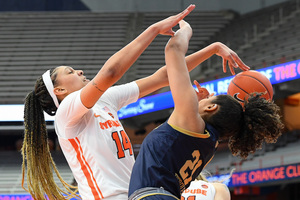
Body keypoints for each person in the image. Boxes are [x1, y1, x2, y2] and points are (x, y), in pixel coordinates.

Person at [21, 5, 196, 200]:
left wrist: (213, 49)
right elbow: (110, 73)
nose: (79, 71)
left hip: (134, 195)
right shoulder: (66, 112)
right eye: (70, 72)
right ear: (59, 90)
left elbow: (163, 77)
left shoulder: (104, 100)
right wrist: (153, 29)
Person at [128, 20, 284, 200]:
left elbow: (173, 51)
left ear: (211, 107)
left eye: (209, 98)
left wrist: (187, 29)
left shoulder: (191, 122)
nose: (205, 96)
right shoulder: (210, 145)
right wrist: (197, 105)